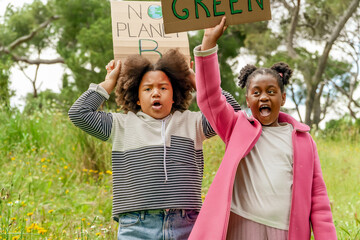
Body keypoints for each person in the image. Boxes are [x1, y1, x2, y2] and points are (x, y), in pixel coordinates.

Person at [189, 17, 337, 240]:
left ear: (283, 98)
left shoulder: (303, 140)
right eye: (256, 93)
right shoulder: (236, 126)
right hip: (242, 225)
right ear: (248, 101)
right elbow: (210, 96)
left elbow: (318, 198)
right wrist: (209, 42)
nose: (264, 97)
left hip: (286, 231)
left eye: (271, 91)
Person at [68, 49, 240, 240]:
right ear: (138, 98)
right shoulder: (120, 125)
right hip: (136, 226)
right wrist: (109, 82)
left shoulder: (194, 123)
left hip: (187, 223)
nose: (156, 93)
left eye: (163, 88)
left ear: (174, 95)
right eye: (148, 89)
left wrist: (194, 79)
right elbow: (79, 114)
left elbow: (231, 112)